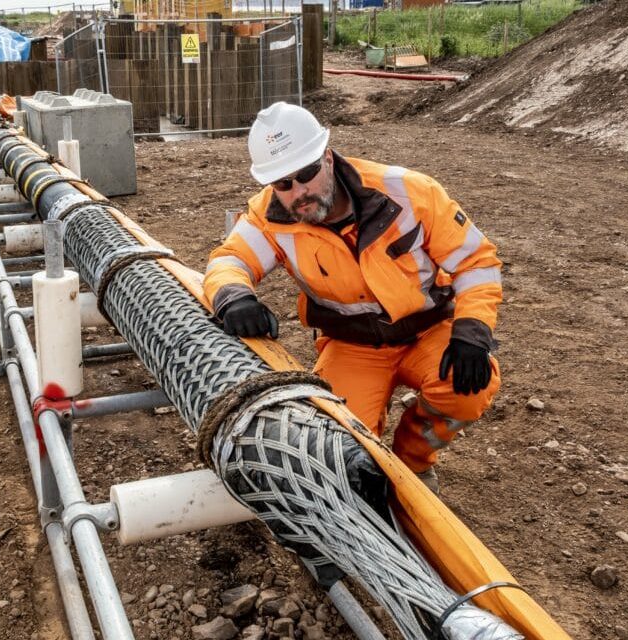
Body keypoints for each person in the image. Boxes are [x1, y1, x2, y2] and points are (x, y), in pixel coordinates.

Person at [203, 102, 503, 493]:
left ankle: (413, 463)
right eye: (282, 183)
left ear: (327, 158)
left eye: (306, 173)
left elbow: (475, 261)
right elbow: (230, 260)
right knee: (334, 441)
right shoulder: (270, 217)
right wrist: (234, 297)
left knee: (467, 389)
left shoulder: (409, 193)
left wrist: (472, 332)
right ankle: (370, 460)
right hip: (352, 345)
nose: (298, 192)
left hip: (427, 331)